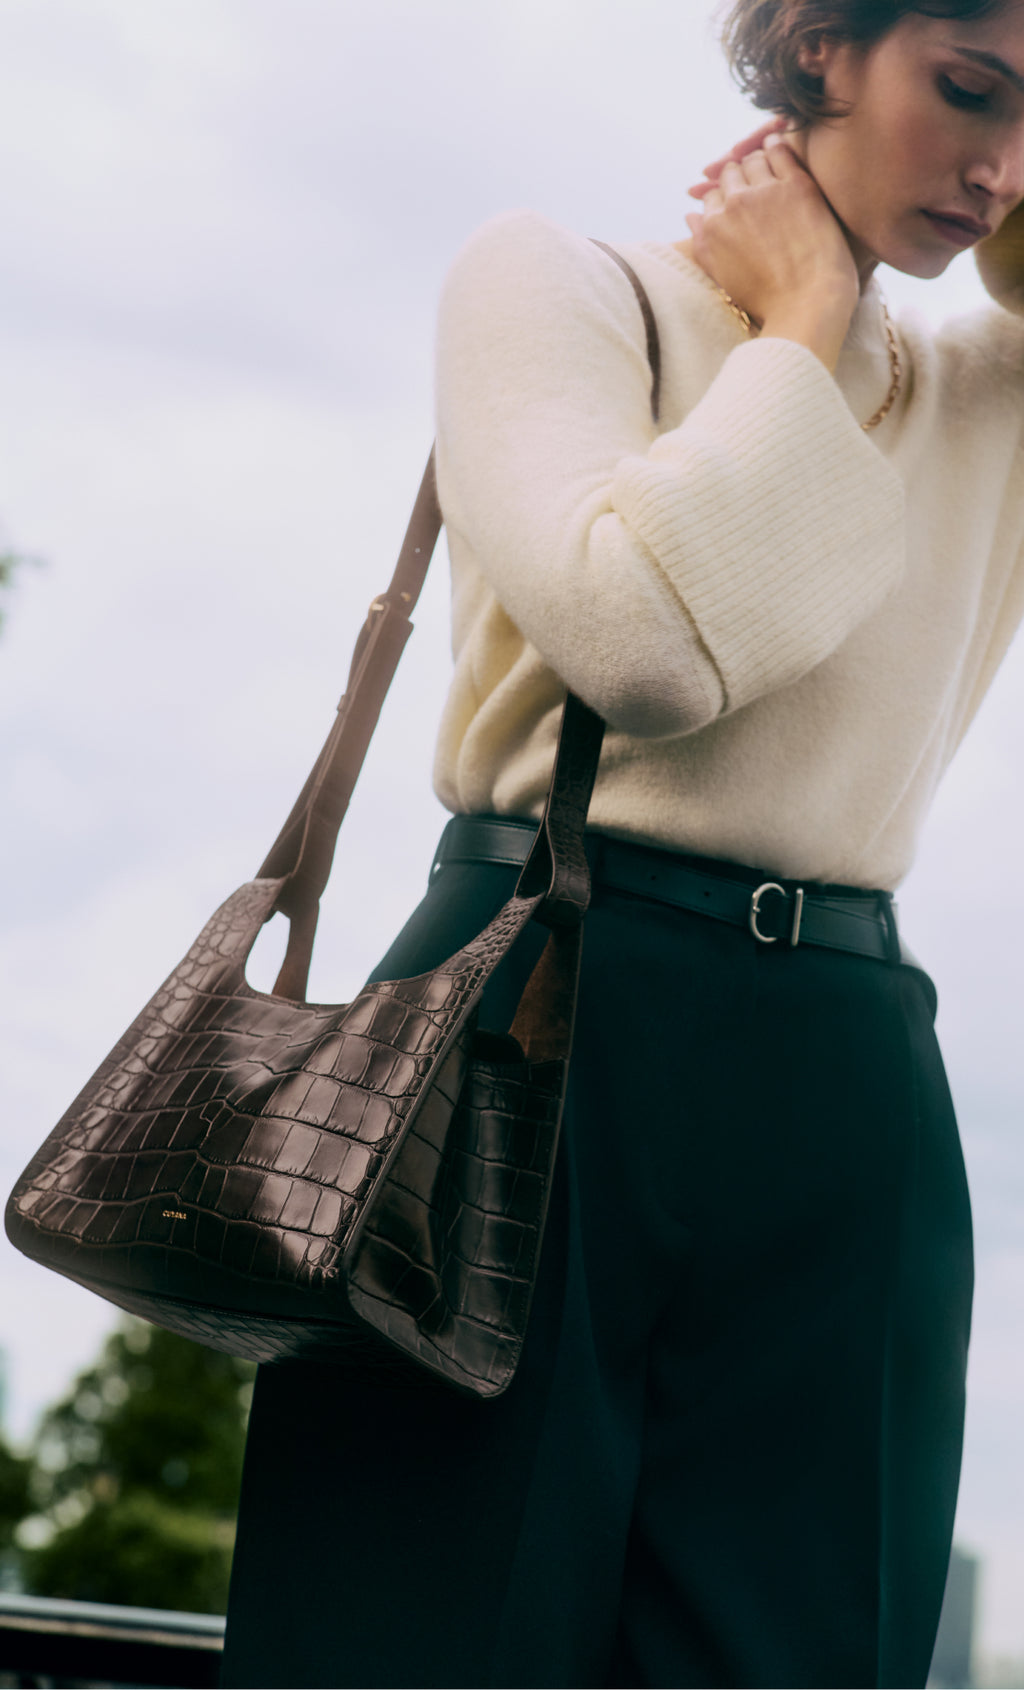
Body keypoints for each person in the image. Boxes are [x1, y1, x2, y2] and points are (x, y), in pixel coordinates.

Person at [221, 2, 1024, 1685]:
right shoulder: (561, 286)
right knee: (418, 1636)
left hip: (845, 1072)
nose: (999, 167)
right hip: (522, 1019)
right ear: (819, 47)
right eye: (972, 92)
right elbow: (640, 646)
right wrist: (800, 322)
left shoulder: (987, 387)